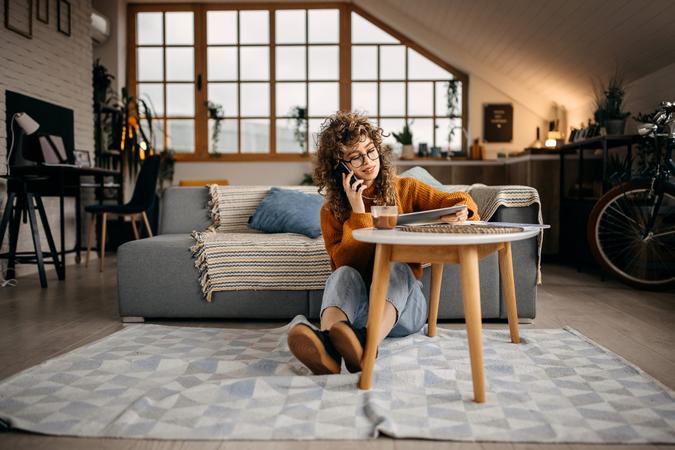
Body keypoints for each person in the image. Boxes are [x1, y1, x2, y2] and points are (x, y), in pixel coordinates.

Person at [287, 111, 480, 375]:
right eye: (355, 156)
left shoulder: (406, 188)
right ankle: (330, 349)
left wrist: (462, 211)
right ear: (339, 166)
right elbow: (344, 263)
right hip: (355, 311)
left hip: (401, 310)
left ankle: (367, 345)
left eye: (370, 151)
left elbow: (461, 199)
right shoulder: (330, 211)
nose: (367, 161)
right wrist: (358, 213)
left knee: (397, 267)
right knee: (343, 274)